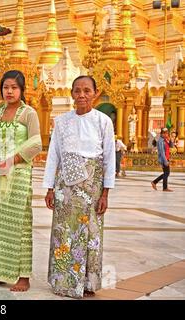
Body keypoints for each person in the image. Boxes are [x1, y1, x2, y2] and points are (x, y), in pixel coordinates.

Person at [43, 75, 115, 299]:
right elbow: (53, 155)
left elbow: (109, 158)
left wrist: (105, 192)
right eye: (77, 91)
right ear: (71, 93)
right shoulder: (62, 121)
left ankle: (86, 283)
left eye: (86, 90)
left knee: (89, 232)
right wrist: (49, 188)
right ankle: (63, 282)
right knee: (64, 232)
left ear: (95, 93)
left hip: (92, 185)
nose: (82, 95)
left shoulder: (103, 121)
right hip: (65, 186)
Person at [0, 70, 42, 292]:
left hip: (18, 174)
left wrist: (12, 160)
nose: (9, 91)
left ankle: (23, 276)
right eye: (6, 87)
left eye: (14, 87)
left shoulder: (29, 113)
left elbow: (36, 143)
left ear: (21, 90)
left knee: (19, 223)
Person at [151, 127, 174, 192]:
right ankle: (164, 187)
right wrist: (165, 161)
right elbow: (162, 152)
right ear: (162, 134)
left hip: (166, 158)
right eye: (165, 133)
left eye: (167, 133)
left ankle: (155, 182)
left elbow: (171, 146)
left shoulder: (166, 140)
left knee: (166, 173)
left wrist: (171, 140)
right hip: (164, 159)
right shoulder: (160, 141)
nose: (167, 134)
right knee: (167, 173)